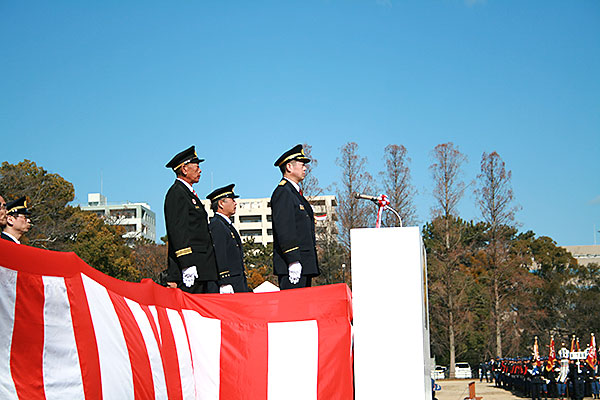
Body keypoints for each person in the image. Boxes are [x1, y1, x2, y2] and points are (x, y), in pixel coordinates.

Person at [164, 145, 218, 293]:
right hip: (191, 267)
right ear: (184, 169)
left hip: (202, 266)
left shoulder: (189, 194)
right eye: (197, 166)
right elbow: (178, 230)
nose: (200, 170)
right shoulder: (177, 193)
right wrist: (186, 264)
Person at [271, 144, 320, 289]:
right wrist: (293, 260)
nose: (305, 168)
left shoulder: (295, 194)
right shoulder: (283, 192)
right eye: (302, 164)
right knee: (292, 309)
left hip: (303, 263)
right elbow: (284, 228)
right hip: (292, 265)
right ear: (289, 167)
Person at [206, 184, 249, 294]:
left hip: (237, 280)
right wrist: (224, 281)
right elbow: (219, 253)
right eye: (232, 200)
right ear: (221, 203)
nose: (235, 203)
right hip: (230, 281)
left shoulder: (226, 225)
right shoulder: (217, 224)